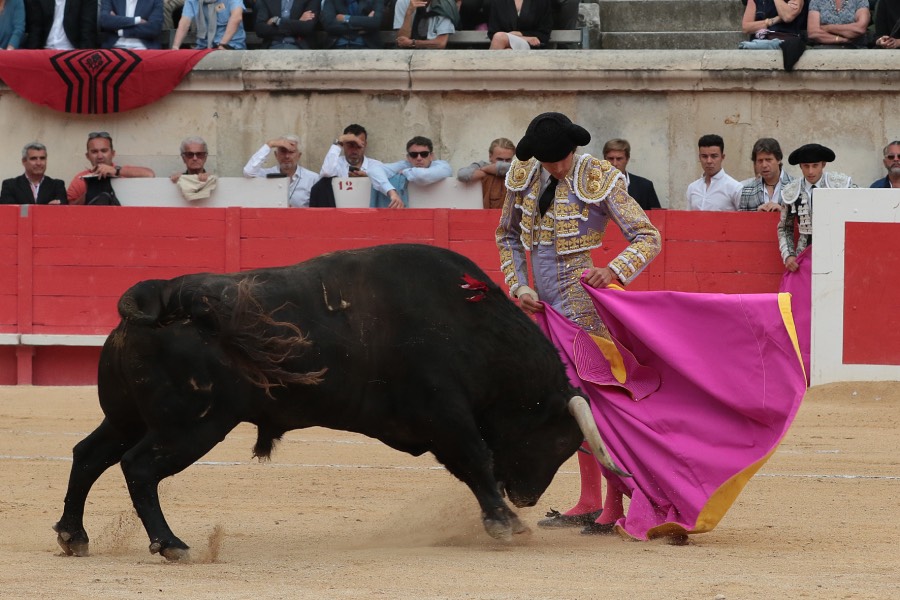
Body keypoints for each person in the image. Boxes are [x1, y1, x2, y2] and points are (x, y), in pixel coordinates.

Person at [496, 112, 661, 535]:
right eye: (548, 162)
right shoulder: (525, 173)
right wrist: (518, 286)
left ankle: (611, 502)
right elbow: (509, 236)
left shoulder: (597, 174)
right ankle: (589, 498)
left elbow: (648, 236)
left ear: (573, 148)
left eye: (561, 160)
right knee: (565, 402)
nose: (555, 168)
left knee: (596, 400)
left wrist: (616, 270)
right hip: (542, 309)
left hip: (583, 305)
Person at [778, 143, 856, 273]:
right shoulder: (791, 191)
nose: (810, 171)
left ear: (823, 164)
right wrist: (789, 255)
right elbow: (785, 227)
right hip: (804, 254)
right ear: (800, 166)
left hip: (837, 249)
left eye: (815, 165)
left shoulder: (840, 185)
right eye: (806, 166)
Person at [317, 124, 401, 207]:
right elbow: (325, 173)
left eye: (359, 146)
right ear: (343, 144)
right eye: (350, 145)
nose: (354, 150)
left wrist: (368, 177)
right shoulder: (335, 163)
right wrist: (339, 140)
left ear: (365, 145)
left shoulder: (376, 166)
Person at [67, 131, 155, 205]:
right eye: (94, 152)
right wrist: (90, 193)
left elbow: (150, 174)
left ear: (113, 153)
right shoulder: (80, 179)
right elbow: (66, 210)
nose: (100, 156)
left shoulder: (124, 172)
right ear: (87, 156)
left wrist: (116, 171)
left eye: (104, 151)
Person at [371, 136, 452, 207]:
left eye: (424, 154)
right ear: (408, 157)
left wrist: (406, 172)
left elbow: (422, 176)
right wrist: (391, 192)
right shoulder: (405, 164)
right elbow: (373, 170)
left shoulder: (443, 166)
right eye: (414, 154)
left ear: (431, 156)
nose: (419, 158)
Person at [243, 135, 319, 208]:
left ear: (299, 155)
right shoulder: (267, 174)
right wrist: (270, 144)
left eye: (291, 152)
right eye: (283, 151)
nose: (287, 156)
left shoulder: (312, 179)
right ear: (276, 155)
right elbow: (248, 172)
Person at [685, 134, 743, 211]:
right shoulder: (692, 188)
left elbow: (744, 219)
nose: (709, 161)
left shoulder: (735, 188)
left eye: (714, 156)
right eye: (704, 156)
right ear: (699, 158)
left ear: (722, 157)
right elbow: (688, 218)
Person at [602, 138, 662, 211]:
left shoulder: (645, 186)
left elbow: (657, 216)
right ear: (605, 159)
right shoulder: (595, 184)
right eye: (611, 158)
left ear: (627, 159)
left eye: (619, 159)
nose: (614, 163)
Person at [457, 137, 516, 209]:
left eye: (508, 160)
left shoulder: (517, 169)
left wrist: (487, 170)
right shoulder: (482, 165)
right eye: (499, 159)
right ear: (490, 156)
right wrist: (487, 170)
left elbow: (511, 168)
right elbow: (462, 174)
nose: (504, 163)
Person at [0, 142, 67, 204]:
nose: (39, 163)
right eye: (33, 158)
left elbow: (63, 212)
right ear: (24, 161)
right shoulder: (10, 185)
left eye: (42, 158)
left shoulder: (57, 186)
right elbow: (8, 212)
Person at [739, 137, 794, 211]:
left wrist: (783, 212)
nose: (764, 165)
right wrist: (756, 216)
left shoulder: (796, 186)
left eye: (768, 160)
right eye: (760, 161)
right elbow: (742, 220)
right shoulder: (747, 190)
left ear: (778, 160)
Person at [171, 0, 247, 49]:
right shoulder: (192, 1)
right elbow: (184, 22)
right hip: (204, 46)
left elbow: (236, 17)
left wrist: (222, 45)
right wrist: (175, 47)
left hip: (231, 45)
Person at [24, 0, 98, 49]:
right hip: (45, 52)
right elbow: (35, 29)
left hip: (73, 52)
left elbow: (87, 30)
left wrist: (82, 58)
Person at [488, 0, 553, 50]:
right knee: (507, 51)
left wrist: (519, 33)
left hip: (531, 47)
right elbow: (492, 32)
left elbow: (544, 34)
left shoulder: (542, 2)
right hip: (504, 46)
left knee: (499, 37)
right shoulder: (498, 2)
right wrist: (524, 38)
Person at [99, 0, 164, 49]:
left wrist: (121, 31)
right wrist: (136, 20)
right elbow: (105, 21)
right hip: (114, 48)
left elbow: (154, 28)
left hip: (143, 49)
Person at [394, 0, 458, 49]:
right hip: (407, 53)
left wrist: (412, 43)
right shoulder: (403, 2)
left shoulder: (445, 5)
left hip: (434, 54)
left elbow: (441, 43)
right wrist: (408, 13)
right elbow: (401, 40)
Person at [806, 0, 870, 46]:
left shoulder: (860, 1)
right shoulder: (816, 1)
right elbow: (813, 33)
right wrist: (841, 39)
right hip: (823, 48)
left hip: (856, 48)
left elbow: (860, 29)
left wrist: (827, 28)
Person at [741, 0, 807, 41]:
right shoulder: (754, 1)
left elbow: (787, 17)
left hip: (786, 41)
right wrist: (774, 20)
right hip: (761, 42)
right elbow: (746, 28)